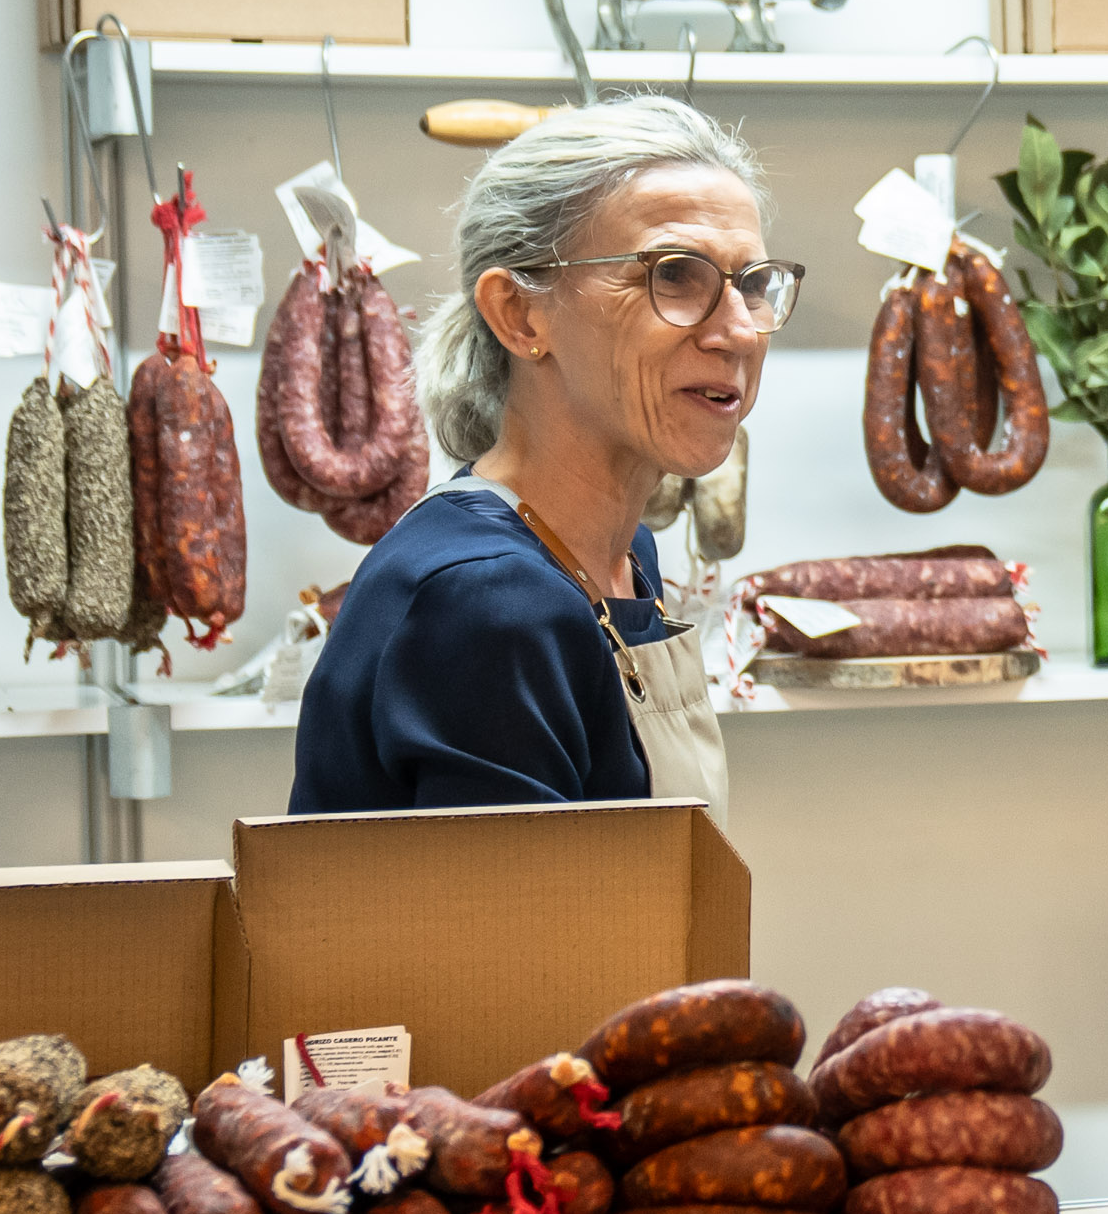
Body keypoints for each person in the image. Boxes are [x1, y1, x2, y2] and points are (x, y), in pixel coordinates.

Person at [288, 99, 795, 825]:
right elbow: (527, 935)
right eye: (675, 275)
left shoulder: (621, 556)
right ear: (520, 315)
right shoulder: (487, 602)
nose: (739, 332)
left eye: (751, 283)